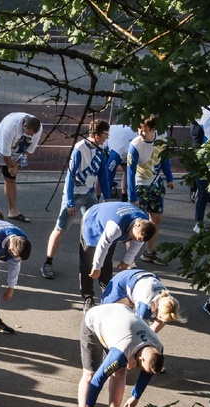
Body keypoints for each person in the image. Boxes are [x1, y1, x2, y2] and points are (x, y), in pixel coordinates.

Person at [77, 303, 165, 407]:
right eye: (143, 368)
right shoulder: (121, 353)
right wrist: (91, 406)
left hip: (120, 322)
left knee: (120, 371)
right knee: (90, 374)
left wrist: (135, 396)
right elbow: (97, 380)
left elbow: (149, 372)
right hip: (95, 321)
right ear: (140, 359)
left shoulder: (157, 347)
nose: (144, 372)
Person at [41, 119, 111, 280]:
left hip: (90, 192)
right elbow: (70, 178)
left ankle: (95, 261)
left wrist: (107, 197)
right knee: (60, 228)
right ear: (96, 135)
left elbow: (102, 173)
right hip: (75, 194)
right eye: (105, 134)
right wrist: (70, 202)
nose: (107, 137)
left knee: (96, 226)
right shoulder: (79, 150)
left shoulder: (102, 148)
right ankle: (48, 262)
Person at [78, 202, 155, 310]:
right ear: (136, 225)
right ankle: (88, 297)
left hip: (112, 223)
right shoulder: (116, 227)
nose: (134, 240)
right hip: (92, 222)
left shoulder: (144, 226)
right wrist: (96, 268)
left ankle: (108, 294)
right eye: (135, 237)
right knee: (88, 264)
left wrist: (126, 262)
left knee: (106, 261)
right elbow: (102, 246)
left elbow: (136, 245)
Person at [126, 115, 174, 266]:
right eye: (139, 129)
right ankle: (129, 259)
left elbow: (165, 159)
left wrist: (169, 177)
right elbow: (130, 173)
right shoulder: (135, 145)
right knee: (137, 223)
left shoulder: (162, 138)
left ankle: (150, 252)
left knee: (156, 219)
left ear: (153, 129)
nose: (141, 133)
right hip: (140, 185)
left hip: (155, 183)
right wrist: (132, 195)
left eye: (144, 130)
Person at [0, 112, 43, 222]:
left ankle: (13, 211)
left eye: (34, 134)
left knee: (10, 179)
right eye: (29, 134)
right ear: (24, 126)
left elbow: (29, 151)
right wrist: (11, 167)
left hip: (15, 153)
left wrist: (17, 166)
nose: (32, 136)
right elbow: (5, 153)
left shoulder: (37, 128)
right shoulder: (10, 127)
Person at [100, 268, 186, 333]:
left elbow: (155, 327)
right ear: (157, 309)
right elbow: (136, 331)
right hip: (123, 281)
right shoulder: (144, 307)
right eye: (159, 317)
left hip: (143, 279)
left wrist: (150, 336)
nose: (160, 320)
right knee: (106, 313)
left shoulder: (168, 300)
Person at [105, 124, 137, 200]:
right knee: (103, 171)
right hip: (115, 142)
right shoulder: (117, 153)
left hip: (126, 140)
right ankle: (100, 198)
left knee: (128, 172)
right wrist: (106, 199)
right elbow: (109, 174)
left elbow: (132, 174)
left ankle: (124, 197)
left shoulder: (138, 148)